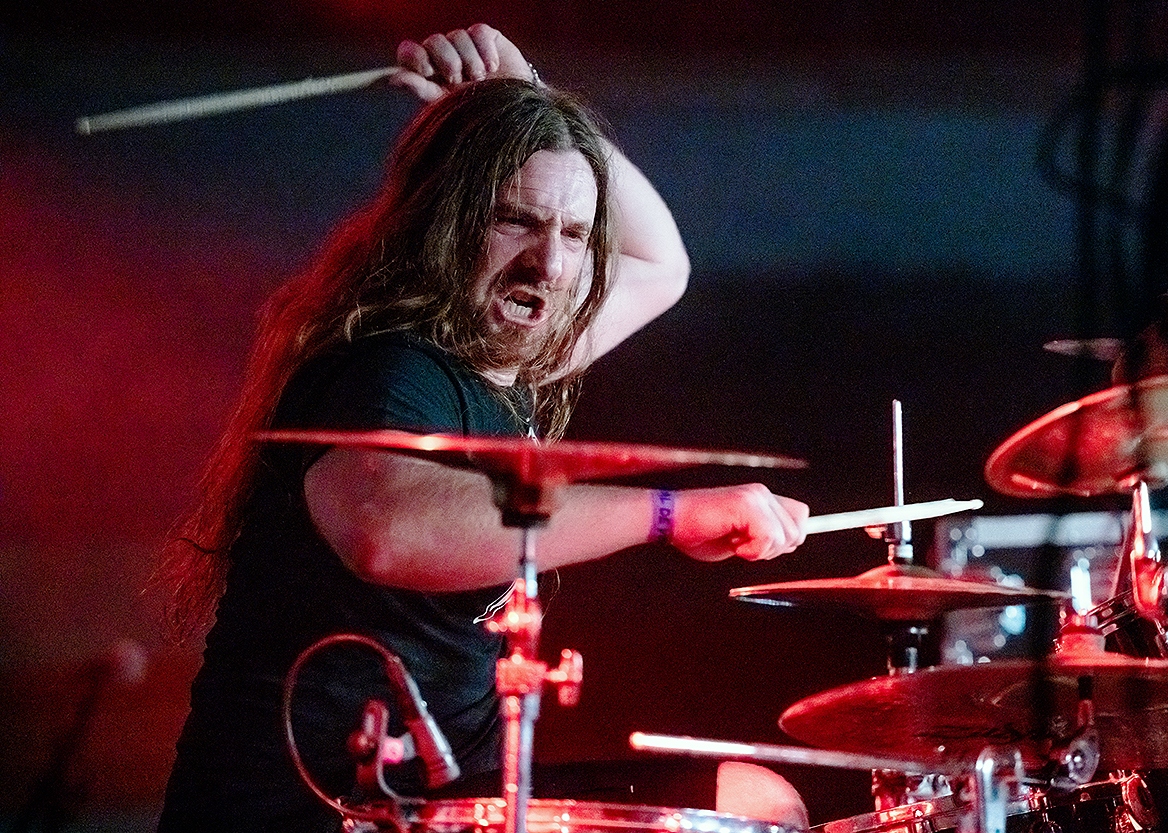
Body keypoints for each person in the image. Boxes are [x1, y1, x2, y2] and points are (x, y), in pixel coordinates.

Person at [156, 24, 809, 832]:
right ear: (445, 224)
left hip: (448, 796)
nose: (551, 265)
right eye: (516, 221)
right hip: (314, 812)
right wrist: (669, 513)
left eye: (575, 234)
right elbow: (389, 527)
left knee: (755, 801)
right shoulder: (390, 369)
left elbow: (659, 264)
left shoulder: (510, 359)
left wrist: (523, 89)